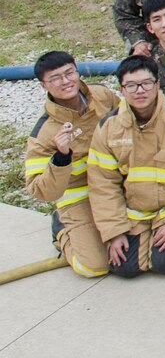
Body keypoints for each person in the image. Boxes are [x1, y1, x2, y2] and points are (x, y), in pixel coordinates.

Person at [87, 55, 165, 277]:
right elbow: (102, 184)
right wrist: (114, 232)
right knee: (123, 268)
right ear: (121, 90)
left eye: (146, 83)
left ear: (157, 84)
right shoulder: (108, 127)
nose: (140, 90)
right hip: (134, 214)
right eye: (131, 85)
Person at [24, 51, 119, 278]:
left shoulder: (102, 96)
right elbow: (40, 190)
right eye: (56, 78)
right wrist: (61, 156)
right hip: (80, 196)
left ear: (78, 72)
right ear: (43, 86)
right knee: (95, 266)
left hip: (116, 185)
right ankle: (62, 230)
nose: (66, 81)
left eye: (69, 73)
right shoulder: (43, 133)